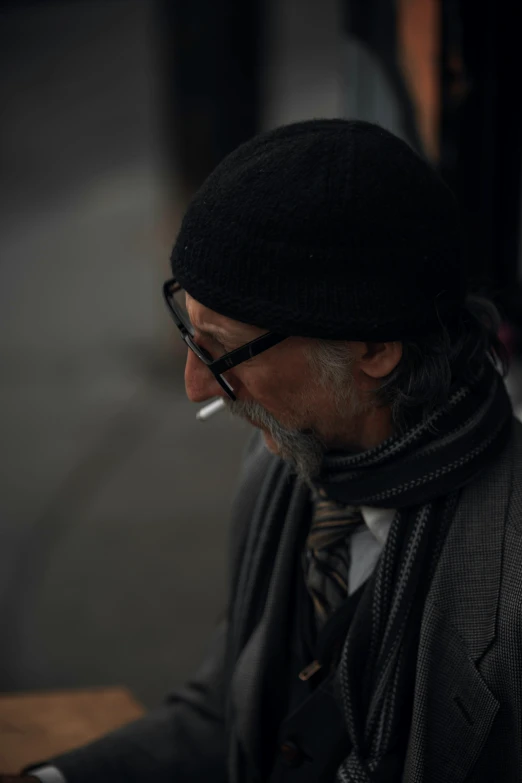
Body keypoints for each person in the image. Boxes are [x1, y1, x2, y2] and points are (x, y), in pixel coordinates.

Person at [8, 119, 522, 783]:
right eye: (191, 335)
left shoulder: (509, 584)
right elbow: (231, 710)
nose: (197, 387)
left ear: (373, 348)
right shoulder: (280, 465)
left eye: (223, 350)